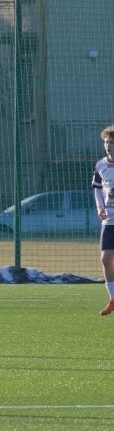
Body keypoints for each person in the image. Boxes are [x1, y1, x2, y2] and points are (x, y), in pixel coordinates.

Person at [93, 124, 114, 315]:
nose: (108, 146)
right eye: (107, 142)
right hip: (109, 220)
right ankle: (112, 299)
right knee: (106, 259)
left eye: (112, 142)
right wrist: (100, 207)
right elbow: (98, 189)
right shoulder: (100, 165)